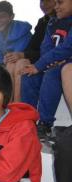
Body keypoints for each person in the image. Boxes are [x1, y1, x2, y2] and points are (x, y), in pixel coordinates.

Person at [21, 0, 72, 140]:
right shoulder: (52, 23)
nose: (56, 7)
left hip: (67, 65)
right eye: (55, 3)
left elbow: (68, 47)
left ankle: (45, 123)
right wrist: (47, 62)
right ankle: (27, 121)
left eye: (60, 3)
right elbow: (46, 46)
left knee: (52, 75)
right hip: (52, 63)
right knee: (28, 75)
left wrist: (41, 65)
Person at [4, 0, 56, 102]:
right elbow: (33, 46)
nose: (44, 5)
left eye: (48, 1)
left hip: (51, 61)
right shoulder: (43, 22)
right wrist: (19, 55)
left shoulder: (63, 22)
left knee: (21, 65)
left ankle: (18, 105)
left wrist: (24, 55)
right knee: (12, 63)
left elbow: (50, 50)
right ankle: (9, 106)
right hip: (39, 57)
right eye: (41, 1)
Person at [0, 1, 32, 65]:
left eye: (2, 16)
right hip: (6, 65)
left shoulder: (23, 31)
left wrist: (3, 61)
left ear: (12, 17)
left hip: (26, 64)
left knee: (16, 64)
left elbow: (16, 54)